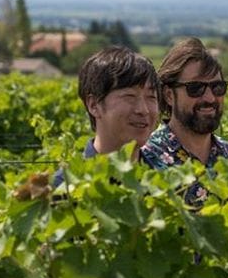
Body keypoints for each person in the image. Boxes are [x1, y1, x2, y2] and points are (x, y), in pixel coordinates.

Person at [140, 37, 228, 206]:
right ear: (169, 95)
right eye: (195, 88)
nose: (209, 97)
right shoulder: (146, 159)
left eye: (218, 87)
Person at [53, 45, 160, 186]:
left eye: (151, 97)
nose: (143, 110)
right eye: (129, 96)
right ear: (93, 105)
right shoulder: (65, 188)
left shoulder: (163, 184)